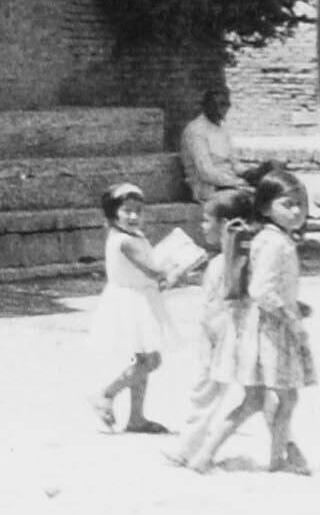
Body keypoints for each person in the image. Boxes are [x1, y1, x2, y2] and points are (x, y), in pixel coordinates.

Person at [181, 172, 312, 474]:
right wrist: (291, 317)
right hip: (272, 333)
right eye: (288, 204)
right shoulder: (276, 243)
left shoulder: (267, 238)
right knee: (286, 398)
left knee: (254, 400)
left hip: (258, 330)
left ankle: (205, 456)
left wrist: (293, 304)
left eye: (300, 204)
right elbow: (262, 291)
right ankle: (277, 460)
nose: (296, 211)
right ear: (265, 207)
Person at [170, 187, 259, 470]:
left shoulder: (227, 263)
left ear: (224, 224)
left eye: (207, 220)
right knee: (261, 393)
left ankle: (186, 448)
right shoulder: (232, 261)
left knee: (208, 393)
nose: (203, 226)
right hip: (234, 336)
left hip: (223, 337)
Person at [88, 183, 182, 436]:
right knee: (151, 360)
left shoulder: (135, 237)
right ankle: (106, 394)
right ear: (113, 214)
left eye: (138, 211)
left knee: (143, 359)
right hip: (132, 302)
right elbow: (151, 269)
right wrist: (178, 265)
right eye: (127, 211)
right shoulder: (124, 241)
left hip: (141, 298)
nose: (133, 216)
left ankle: (136, 418)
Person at [179, 85, 245, 199]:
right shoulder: (196, 130)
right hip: (207, 188)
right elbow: (206, 172)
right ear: (206, 106)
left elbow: (234, 162)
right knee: (249, 199)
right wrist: (235, 182)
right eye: (215, 105)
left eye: (224, 104)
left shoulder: (223, 129)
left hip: (229, 183)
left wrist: (249, 173)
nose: (220, 109)